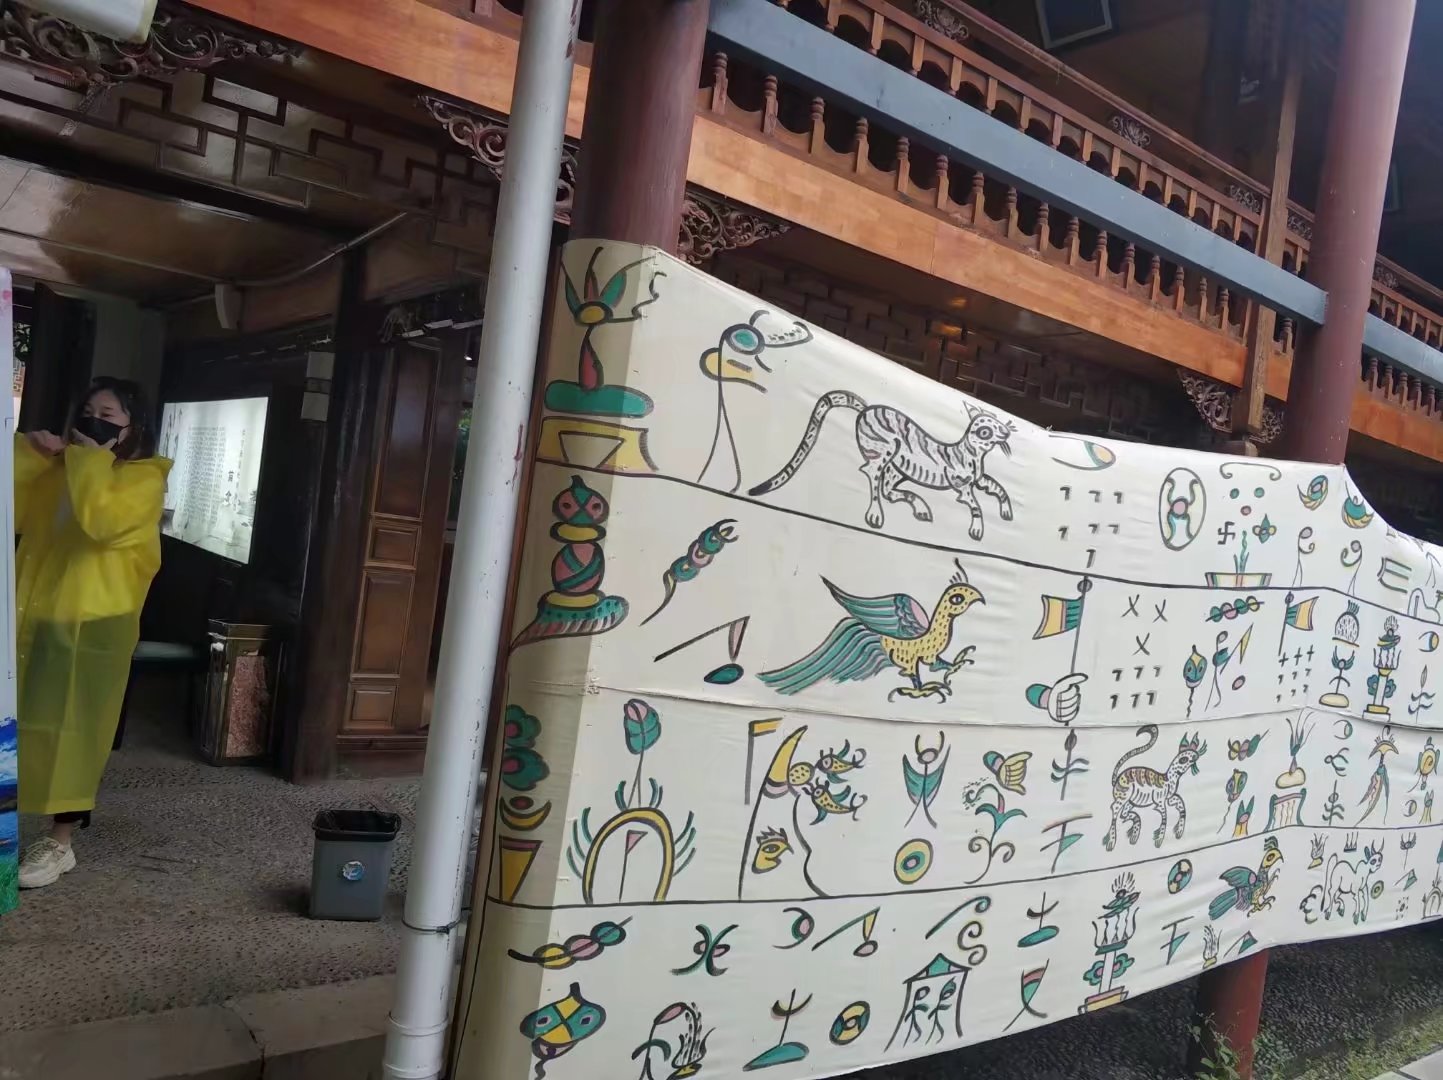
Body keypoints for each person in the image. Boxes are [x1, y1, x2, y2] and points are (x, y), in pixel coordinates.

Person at [13, 377, 170, 889]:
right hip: (36, 612)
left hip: (94, 624)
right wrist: (30, 454)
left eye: (108, 414)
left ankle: (60, 842)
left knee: (76, 730)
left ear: (132, 428)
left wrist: (88, 460)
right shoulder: (64, 468)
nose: (93, 421)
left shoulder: (143, 480)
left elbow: (101, 522)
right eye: (88, 411)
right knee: (17, 718)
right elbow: (13, 507)